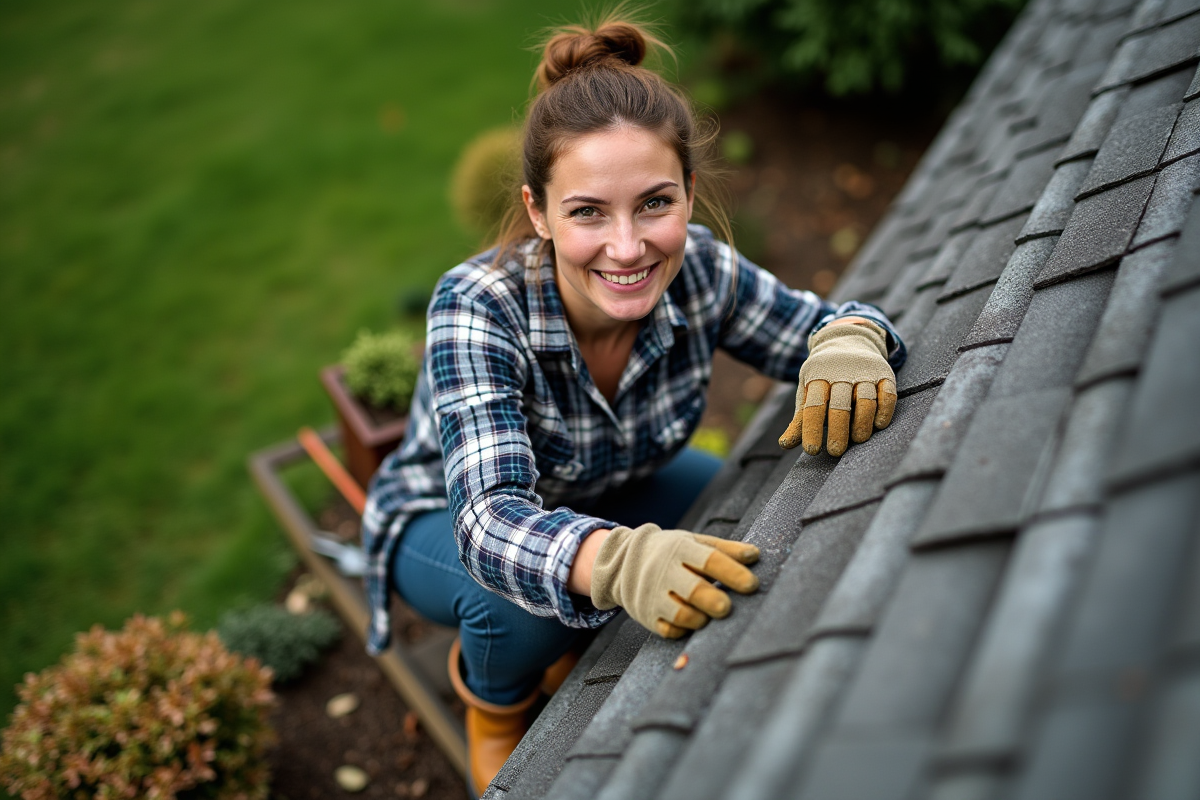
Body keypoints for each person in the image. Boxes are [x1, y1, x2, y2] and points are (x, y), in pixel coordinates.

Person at [361, 15, 906, 796]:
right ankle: (493, 701)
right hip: (439, 518)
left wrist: (849, 343)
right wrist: (618, 562)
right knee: (520, 614)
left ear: (688, 191)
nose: (627, 247)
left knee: (736, 503)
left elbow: (828, 323)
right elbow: (488, 522)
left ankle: (577, 618)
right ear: (540, 212)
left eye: (654, 203)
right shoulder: (478, 304)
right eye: (587, 212)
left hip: (607, 483)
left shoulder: (702, 271)